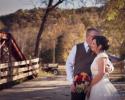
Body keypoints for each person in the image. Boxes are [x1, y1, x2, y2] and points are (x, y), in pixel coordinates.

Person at [65, 28, 100, 100]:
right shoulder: (76, 47)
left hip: (94, 85)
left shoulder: (98, 49)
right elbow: (69, 64)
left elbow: (107, 62)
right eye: (95, 37)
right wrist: (71, 82)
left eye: (98, 37)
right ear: (87, 36)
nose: (96, 39)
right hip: (78, 84)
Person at [86, 35, 120, 100]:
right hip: (96, 84)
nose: (91, 45)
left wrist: (90, 86)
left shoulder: (101, 56)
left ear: (99, 46)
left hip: (100, 86)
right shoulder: (100, 56)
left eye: (93, 43)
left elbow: (101, 74)